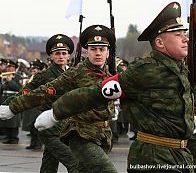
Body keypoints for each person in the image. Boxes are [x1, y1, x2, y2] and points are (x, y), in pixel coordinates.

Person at [32, 2, 196, 172]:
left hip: (179, 154)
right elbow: (95, 93)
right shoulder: (145, 70)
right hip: (153, 157)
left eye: (184, 33)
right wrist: (54, 113)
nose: (185, 39)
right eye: (178, 34)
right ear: (160, 42)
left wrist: (188, 116)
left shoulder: (180, 70)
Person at [0, 25, 118, 173]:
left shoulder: (109, 73)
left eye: (102, 49)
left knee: (53, 164)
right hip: (74, 132)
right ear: (86, 51)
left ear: (108, 52)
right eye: (94, 49)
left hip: (100, 134)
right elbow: (41, 92)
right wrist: (11, 107)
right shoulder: (75, 73)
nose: (98, 53)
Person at [0, 34, 79, 173]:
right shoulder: (44, 75)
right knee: (73, 161)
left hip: (67, 125)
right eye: (57, 53)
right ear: (51, 57)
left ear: (68, 56)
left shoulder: (73, 74)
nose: (61, 56)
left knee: (49, 162)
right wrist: (7, 106)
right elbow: (25, 93)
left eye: (64, 53)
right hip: (50, 126)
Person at [0, 59, 22, 144]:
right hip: (4, 99)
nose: (9, 69)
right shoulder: (4, 76)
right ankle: (8, 137)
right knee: (6, 120)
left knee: (13, 120)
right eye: (8, 67)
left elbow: (19, 88)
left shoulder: (18, 76)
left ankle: (14, 137)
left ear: (15, 68)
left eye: (11, 67)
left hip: (14, 99)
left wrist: (10, 81)